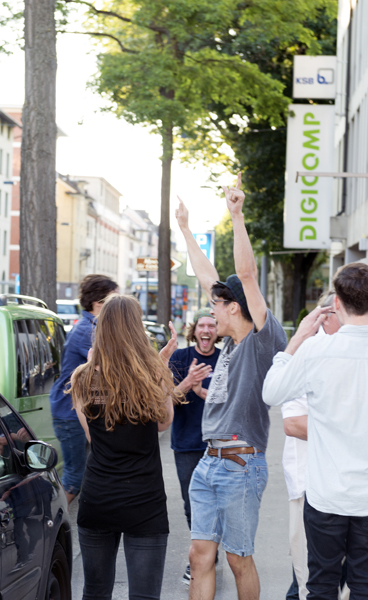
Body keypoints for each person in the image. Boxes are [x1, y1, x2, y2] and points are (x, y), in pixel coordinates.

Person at [175, 174, 287, 600]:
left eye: (216, 304)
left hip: (241, 467)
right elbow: (209, 275)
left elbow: (246, 274)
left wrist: (236, 215)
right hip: (208, 464)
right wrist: (185, 229)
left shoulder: (260, 340)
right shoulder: (227, 343)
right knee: (200, 554)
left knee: (239, 558)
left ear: (235, 308)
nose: (210, 309)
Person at [263, 262, 368, 600]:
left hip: (325, 493)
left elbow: (271, 393)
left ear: (335, 302)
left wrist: (297, 339)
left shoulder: (315, 350)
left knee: (321, 584)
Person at [70, 294, 181, 600]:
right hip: (144, 499)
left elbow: (92, 437)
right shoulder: (152, 375)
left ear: (101, 328)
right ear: (136, 329)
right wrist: (163, 366)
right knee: (144, 596)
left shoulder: (82, 378)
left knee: (95, 591)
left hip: (98, 496)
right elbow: (163, 423)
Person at [282, 291, 342, 600]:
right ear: (327, 316)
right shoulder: (305, 353)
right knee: (311, 581)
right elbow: (293, 424)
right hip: (309, 486)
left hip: (352, 488)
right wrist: (349, 426)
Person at [50, 274, 118, 505]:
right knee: (73, 478)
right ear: (99, 304)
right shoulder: (88, 332)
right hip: (69, 413)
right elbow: (111, 368)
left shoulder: (94, 327)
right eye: (113, 301)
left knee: (85, 474)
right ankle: (51, 523)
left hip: (76, 411)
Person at [169, 308, 221, 583]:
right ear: (195, 330)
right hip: (187, 445)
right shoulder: (180, 358)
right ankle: (202, 556)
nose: (207, 330)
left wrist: (202, 390)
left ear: (216, 331)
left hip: (220, 444)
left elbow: (230, 401)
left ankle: (209, 556)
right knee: (192, 505)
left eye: (212, 325)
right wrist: (190, 383)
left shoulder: (226, 360)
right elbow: (167, 401)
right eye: (202, 325)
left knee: (218, 504)